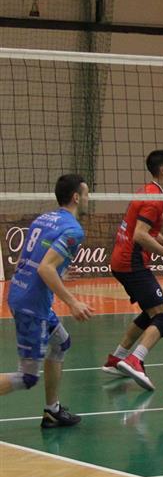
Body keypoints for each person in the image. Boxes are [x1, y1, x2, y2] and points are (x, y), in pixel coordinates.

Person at [2, 175, 94, 428]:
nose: (89, 199)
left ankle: (52, 410)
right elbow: (45, 268)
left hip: (23, 294)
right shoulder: (73, 230)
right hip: (32, 305)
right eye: (87, 194)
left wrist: (58, 271)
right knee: (26, 377)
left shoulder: (43, 219)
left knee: (61, 342)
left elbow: (27, 260)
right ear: (76, 197)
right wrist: (73, 302)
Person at [102, 150, 163, 390]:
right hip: (131, 262)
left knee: (150, 312)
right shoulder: (154, 199)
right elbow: (140, 235)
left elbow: (149, 230)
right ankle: (136, 360)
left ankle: (117, 359)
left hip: (122, 261)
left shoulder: (149, 191)